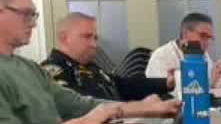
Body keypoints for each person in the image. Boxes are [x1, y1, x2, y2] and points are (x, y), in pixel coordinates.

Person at [0, 0, 177, 124]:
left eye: (33, 15)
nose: (33, 23)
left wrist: (146, 108)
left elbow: (79, 105)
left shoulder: (29, 67)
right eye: (26, 14)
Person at [41, 11, 170, 102]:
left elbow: (121, 85)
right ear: (64, 38)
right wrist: (139, 108)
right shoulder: (50, 73)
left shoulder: (88, 66)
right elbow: (84, 105)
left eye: (95, 38)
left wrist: (166, 83)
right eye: (87, 37)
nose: (94, 44)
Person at [145, 12, 221, 95]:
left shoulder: (202, 54)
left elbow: (217, 83)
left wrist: (216, 77)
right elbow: (169, 94)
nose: (207, 42)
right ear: (185, 33)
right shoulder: (161, 56)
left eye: (209, 38)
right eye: (203, 36)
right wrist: (209, 81)